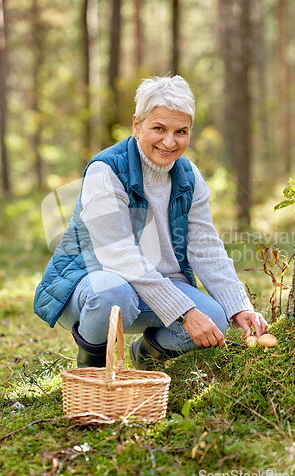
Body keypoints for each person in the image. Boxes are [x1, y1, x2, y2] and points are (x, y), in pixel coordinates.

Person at [34, 75, 268, 370]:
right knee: (114, 293)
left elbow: (206, 248)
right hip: (91, 287)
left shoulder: (189, 176)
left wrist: (239, 308)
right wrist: (185, 312)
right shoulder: (105, 171)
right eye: (159, 128)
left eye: (181, 131)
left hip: (157, 289)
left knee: (216, 317)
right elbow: (120, 257)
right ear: (136, 124)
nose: (170, 141)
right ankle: (91, 371)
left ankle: (145, 355)